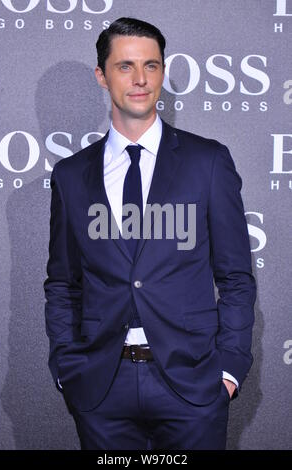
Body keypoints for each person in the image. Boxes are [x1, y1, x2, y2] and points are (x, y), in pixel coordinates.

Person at [44, 17, 256, 450]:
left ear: (162, 71)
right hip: (101, 387)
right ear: (102, 76)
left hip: (192, 386)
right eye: (125, 67)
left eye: (151, 66)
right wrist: (68, 367)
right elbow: (63, 283)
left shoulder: (208, 162)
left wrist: (229, 369)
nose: (140, 80)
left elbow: (235, 277)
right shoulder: (70, 176)